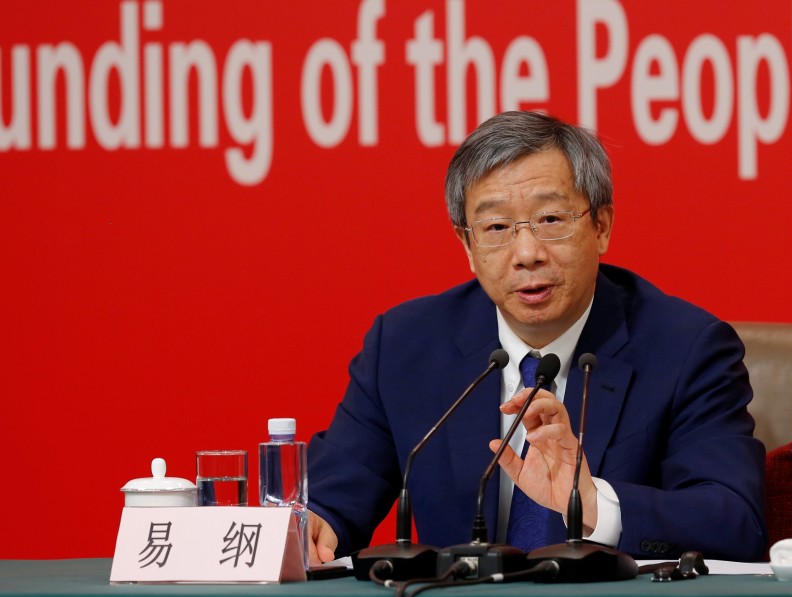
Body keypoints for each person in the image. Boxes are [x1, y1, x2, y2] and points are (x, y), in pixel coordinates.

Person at [306, 110, 765, 564]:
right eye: (497, 228)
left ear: (601, 226)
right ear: (467, 246)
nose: (527, 254)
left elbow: (735, 521)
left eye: (550, 219)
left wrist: (595, 504)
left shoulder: (685, 348)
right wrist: (312, 524)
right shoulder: (407, 346)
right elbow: (331, 498)